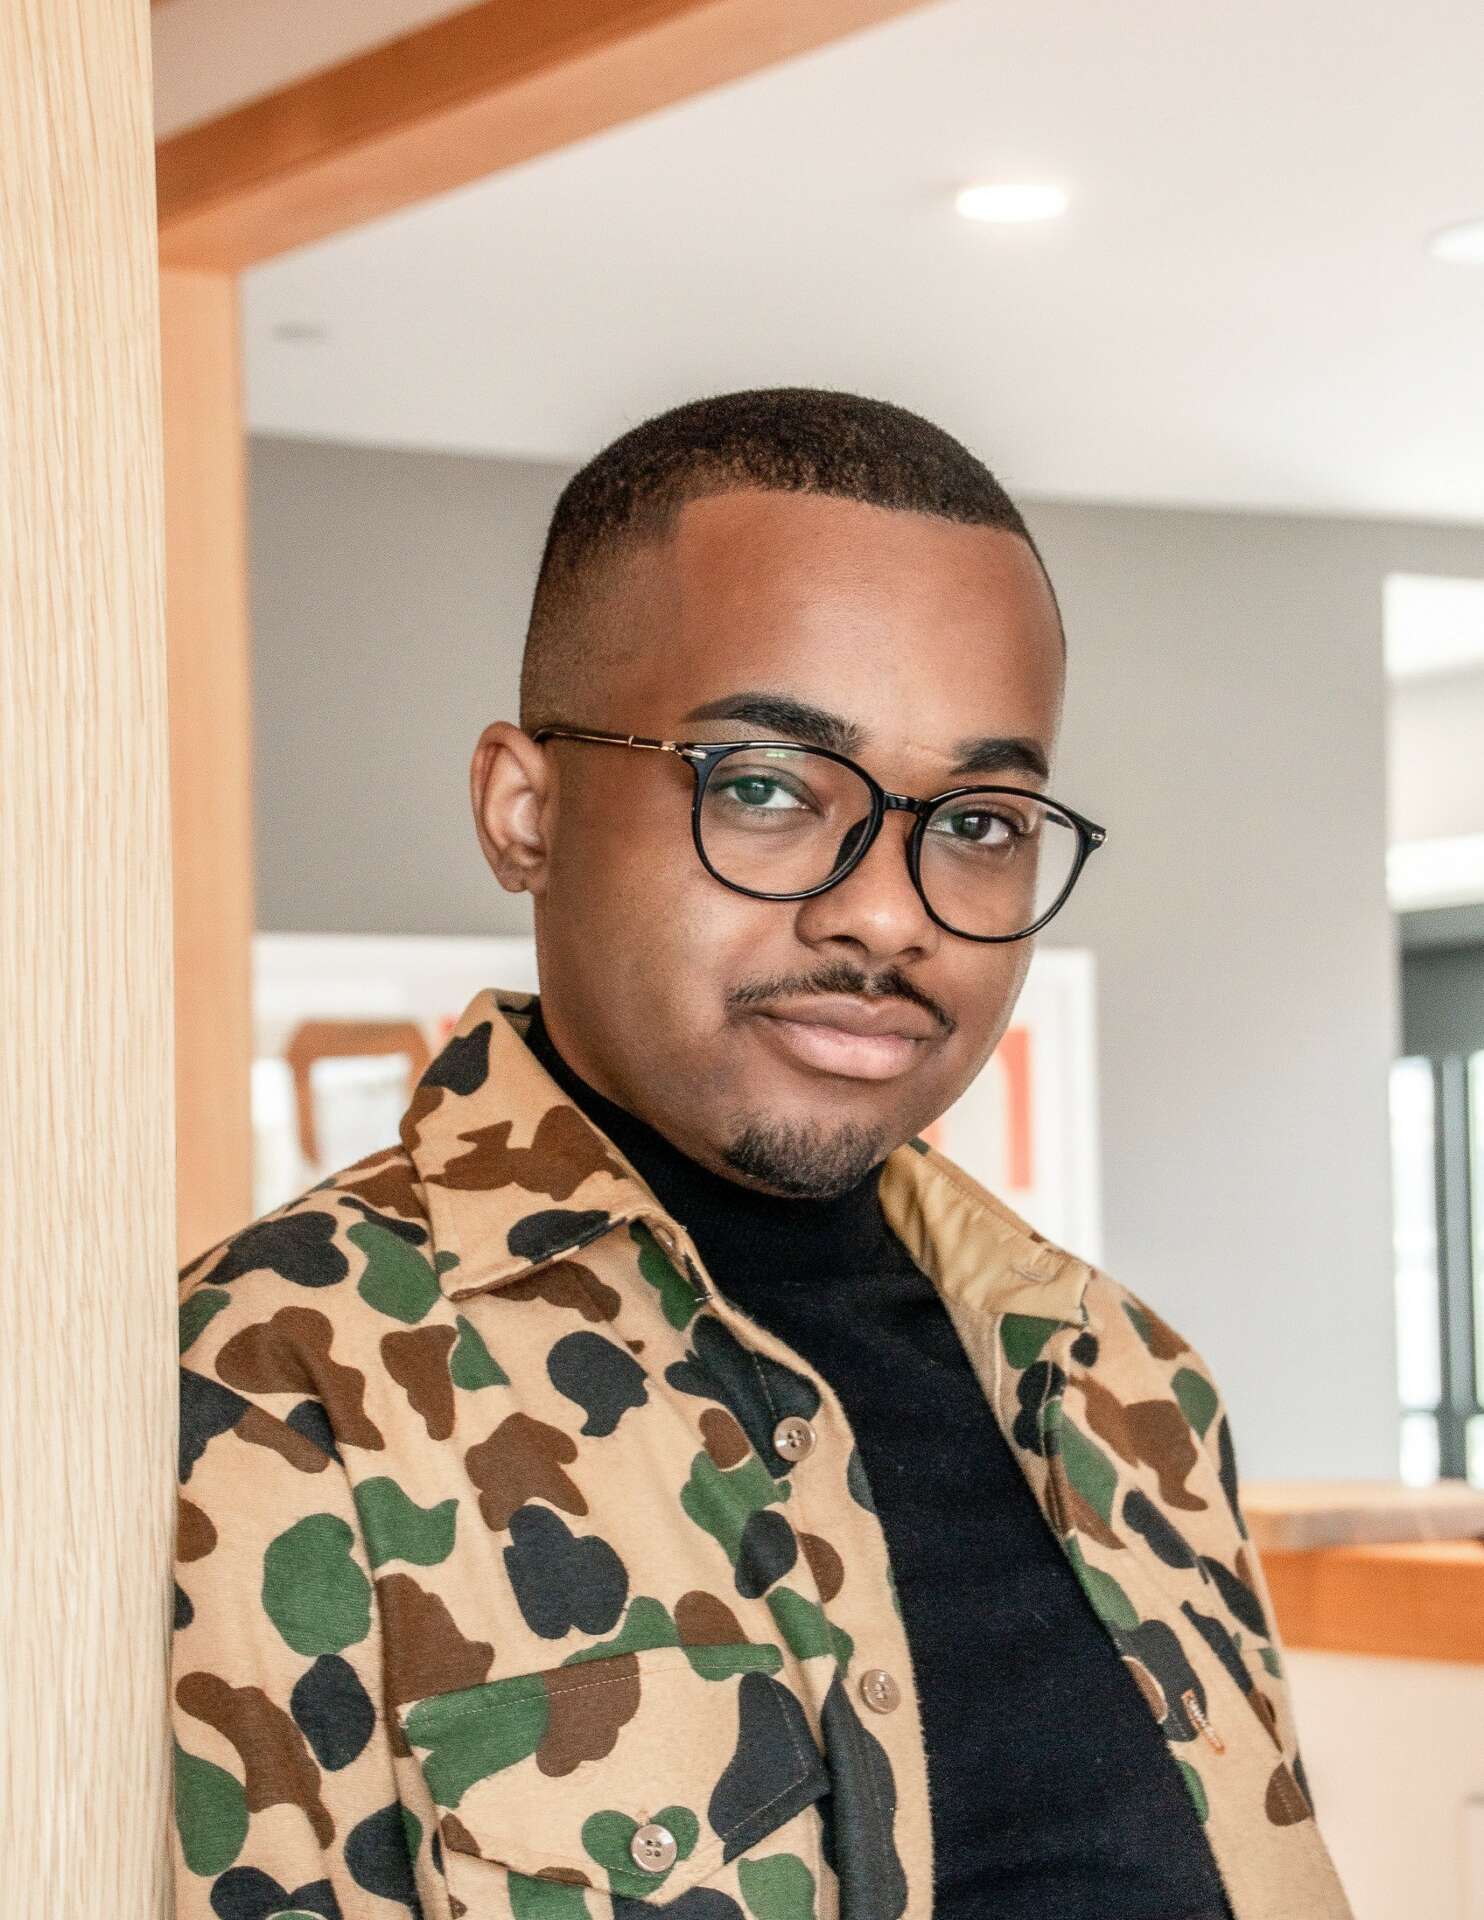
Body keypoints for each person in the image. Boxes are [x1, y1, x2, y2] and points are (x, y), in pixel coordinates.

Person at [171, 388, 1352, 1920]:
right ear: (524, 812)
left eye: (981, 822)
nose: (890, 913)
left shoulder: (1130, 1386)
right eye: (768, 788)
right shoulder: (271, 1390)